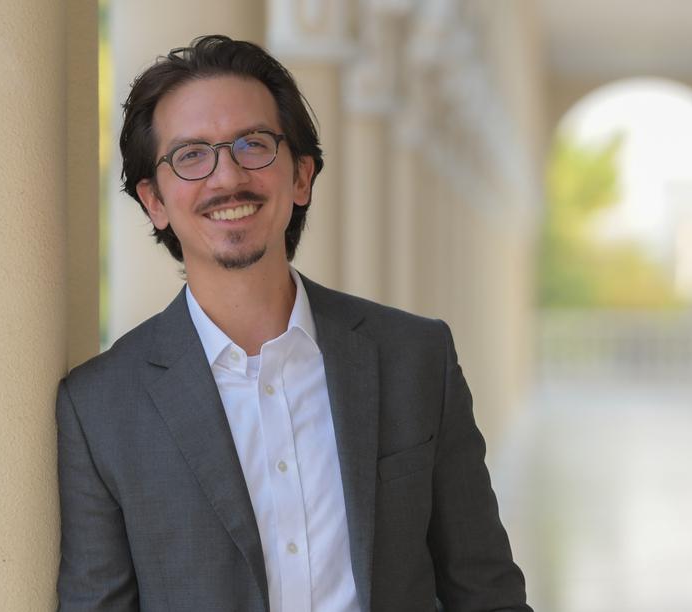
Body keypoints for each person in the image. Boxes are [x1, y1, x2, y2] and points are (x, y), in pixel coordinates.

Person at [56, 34, 530, 612]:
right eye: (191, 155)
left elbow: (486, 593)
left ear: (302, 176)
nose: (226, 177)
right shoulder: (101, 407)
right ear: (154, 200)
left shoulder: (415, 358)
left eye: (253, 145)